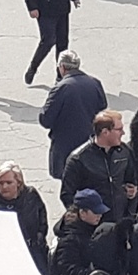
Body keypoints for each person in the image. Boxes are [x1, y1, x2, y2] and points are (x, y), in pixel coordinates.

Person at [40, 49, 108, 179]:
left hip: (65, 147)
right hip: (90, 144)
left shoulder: (60, 88)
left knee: (69, 187)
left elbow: (46, 120)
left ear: (62, 67)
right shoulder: (95, 83)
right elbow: (102, 108)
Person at [59, 109, 137, 220]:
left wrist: (131, 193)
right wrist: (83, 217)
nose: (123, 133)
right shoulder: (79, 159)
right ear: (105, 132)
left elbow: (132, 180)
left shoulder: (125, 152)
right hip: (93, 226)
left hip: (120, 222)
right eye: (119, 129)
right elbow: (67, 195)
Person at [0, 162, 50, 275]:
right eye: (0, 183)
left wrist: (40, 235)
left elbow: (41, 214)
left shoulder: (30, 195)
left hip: (34, 252)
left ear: (18, 183)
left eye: (9, 183)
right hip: (8, 259)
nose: (4, 187)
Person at [51, 188, 108, 275]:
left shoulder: (92, 228)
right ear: (82, 213)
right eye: (96, 213)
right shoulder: (70, 238)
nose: (100, 216)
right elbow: (67, 268)